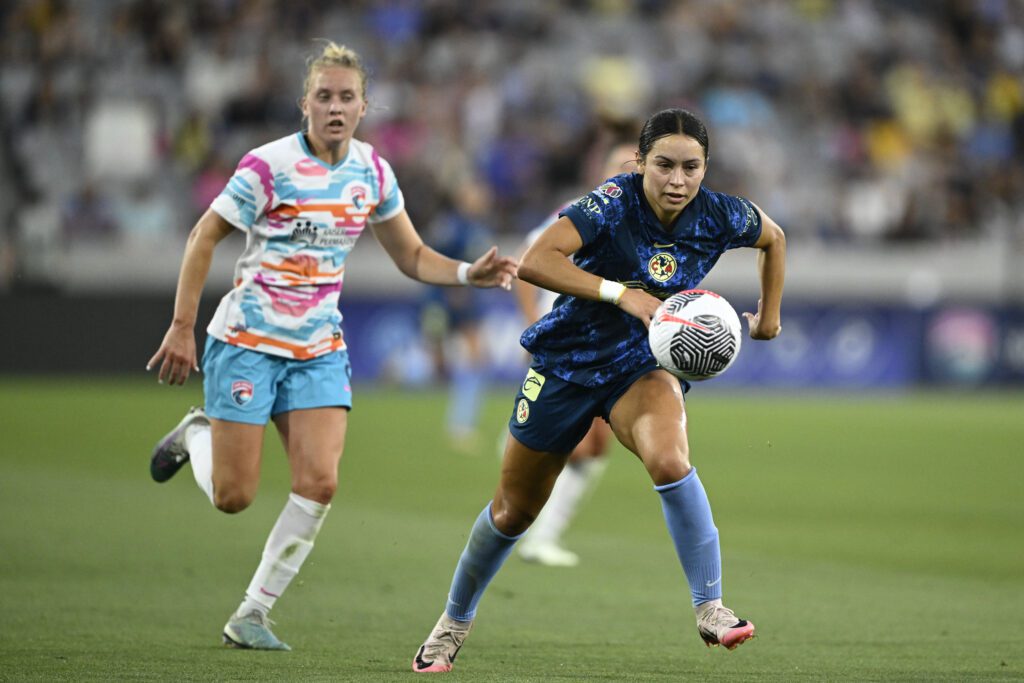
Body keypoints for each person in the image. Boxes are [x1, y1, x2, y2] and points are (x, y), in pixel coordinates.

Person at [145, 41, 517, 652]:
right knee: (233, 497)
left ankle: (252, 613)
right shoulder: (267, 166)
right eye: (325, 97)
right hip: (247, 340)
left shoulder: (372, 171)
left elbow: (412, 255)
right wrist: (183, 325)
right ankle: (195, 432)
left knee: (318, 483)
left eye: (347, 97)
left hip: (319, 346)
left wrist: (464, 274)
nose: (336, 107)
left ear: (364, 106)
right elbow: (203, 234)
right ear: (305, 104)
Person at [411, 108, 786, 673]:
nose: (678, 181)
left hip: (641, 365)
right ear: (640, 162)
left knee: (669, 458)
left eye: (691, 167)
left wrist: (770, 320)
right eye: (664, 165)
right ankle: (453, 621)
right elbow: (537, 261)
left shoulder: (720, 213)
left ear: (706, 167)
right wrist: (622, 295)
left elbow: (774, 238)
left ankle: (710, 606)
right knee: (513, 512)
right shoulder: (613, 201)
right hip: (566, 362)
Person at [513, 134, 638, 567]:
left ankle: (538, 530)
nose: (628, 172)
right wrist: (532, 323)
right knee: (582, 447)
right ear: (600, 170)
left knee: (594, 449)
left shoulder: (640, 222)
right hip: (567, 340)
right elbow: (525, 263)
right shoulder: (584, 213)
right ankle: (532, 530)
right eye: (620, 164)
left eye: (635, 165)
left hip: (601, 344)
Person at [420, 178, 496, 452]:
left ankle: (461, 425)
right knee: (438, 365)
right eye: (476, 193)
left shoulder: (477, 226)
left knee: (477, 359)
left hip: (466, 301)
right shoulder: (451, 226)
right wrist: (449, 287)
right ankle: (457, 423)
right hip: (442, 300)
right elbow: (431, 258)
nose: (483, 198)